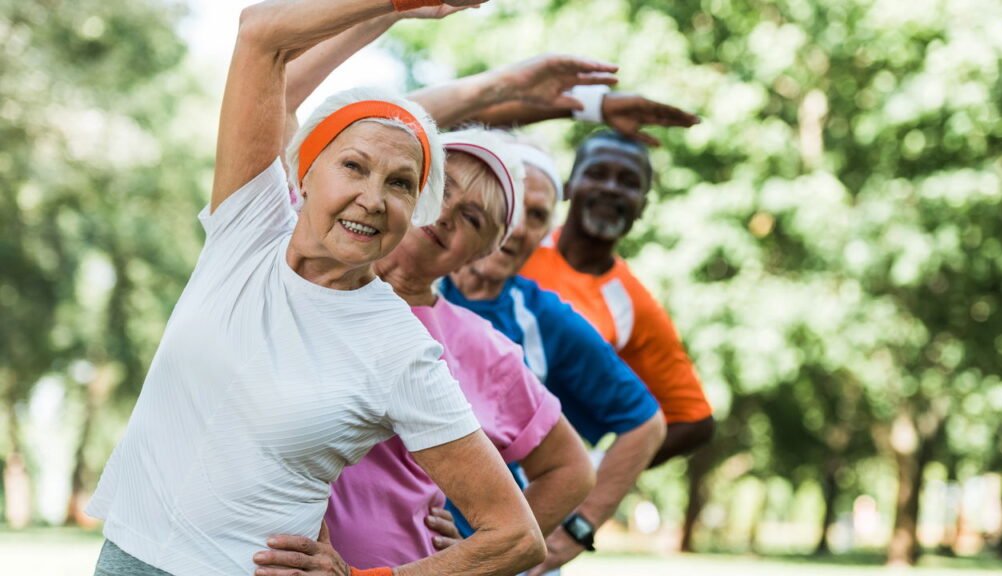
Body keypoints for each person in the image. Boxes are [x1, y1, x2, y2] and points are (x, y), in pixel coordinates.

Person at [86, 1, 546, 575]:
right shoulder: (247, 227)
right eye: (354, 166)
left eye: (401, 184)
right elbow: (261, 34)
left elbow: (515, 537)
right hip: (126, 556)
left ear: (412, 213)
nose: (374, 199)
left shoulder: (400, 349)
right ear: (304, 171)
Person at [434, 139, 666, 575]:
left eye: (537, 215)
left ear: (547, 233)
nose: (518, 226)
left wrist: (572, 533)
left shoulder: (545, 318)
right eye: (513, 205)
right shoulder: (412, 282)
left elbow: (645, 424)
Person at [519, 129, 715, 468]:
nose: (610, 188)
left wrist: (593, 473)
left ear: (643, 206)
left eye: (628, 181)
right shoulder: (517, 244)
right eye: (596, 173)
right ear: (568, 186)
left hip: (522, 482)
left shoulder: (632, 304)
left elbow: (694, 420)